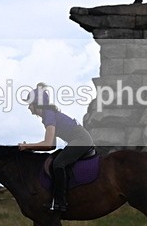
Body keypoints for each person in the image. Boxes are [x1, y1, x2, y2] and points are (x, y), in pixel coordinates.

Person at [19, 83, 95, 212]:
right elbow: (52, 145)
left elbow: (48, 143)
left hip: (81, 140)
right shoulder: (48, 115)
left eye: (29, 104)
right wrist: (30, 148)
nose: (28, 107)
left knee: (58, 163)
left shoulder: (49, 115)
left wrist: (26, 146)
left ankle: (60, 203)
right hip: (80, 139)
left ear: (37, 103)